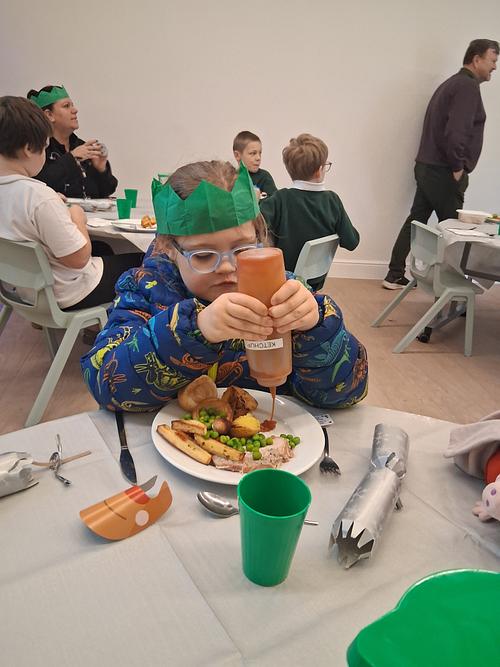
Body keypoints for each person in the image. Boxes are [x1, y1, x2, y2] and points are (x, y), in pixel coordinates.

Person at [81, 160, 368, 412]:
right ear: (168, 248)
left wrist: (317, 328)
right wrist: (195, 330)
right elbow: (105, 384)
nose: (228, 267)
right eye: (204, 255)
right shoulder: (144, 291)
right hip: (171, 445)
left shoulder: (286, 292)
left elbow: (347, 393)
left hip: (272, 443)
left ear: (259, 237)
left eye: (242, 249)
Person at [0, 96, 141, 311]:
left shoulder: (25, 192)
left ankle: (101, 320)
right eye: (44, 148)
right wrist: (77, 217)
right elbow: (79, 259)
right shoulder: (39, 196)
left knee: (103, 248)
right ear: (29, 148)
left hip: (23, 290)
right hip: (67, 294)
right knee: (145, 262)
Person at [383, 38, 499, 289]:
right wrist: (457, 167)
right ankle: (451, 289)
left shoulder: (452, 84)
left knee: (417, 220)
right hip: (444, 171)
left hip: (428, 167)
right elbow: (456, 131)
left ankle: (394, 274)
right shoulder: (466, 87)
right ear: (476, 59)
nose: (495, 67)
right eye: (492, 60)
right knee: (455, 233)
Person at [260, 133, 359, 289]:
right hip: (315, 281)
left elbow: (255, 226)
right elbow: (352, 242)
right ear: (319, 171)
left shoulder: (280, 198)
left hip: (282, 280)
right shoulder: (332, 201)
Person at [27, 84, 118, 199]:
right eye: (66, 106)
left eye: (72, 105)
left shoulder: (82, 147)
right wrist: (72, 158)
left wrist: (101, 169)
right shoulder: (37, 149)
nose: (75, 110)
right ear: (49, 115)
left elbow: (107, 190)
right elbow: (37, 185)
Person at [233, 130, 277, 198]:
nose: (258, 158)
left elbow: (275, 202)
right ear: (237, 155)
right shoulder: (231, 179)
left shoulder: (264, 177)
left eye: (260, 153)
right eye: (253, 153)